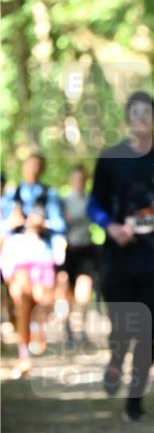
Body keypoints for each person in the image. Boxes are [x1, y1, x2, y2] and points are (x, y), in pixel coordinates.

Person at [88, 92, 154, 421]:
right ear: (127, 118)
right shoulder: (111, 158)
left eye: (146, 112)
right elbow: (94, 204)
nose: (141, 117)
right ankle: (115, 359)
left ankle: (135, 400)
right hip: (118, 258)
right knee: (122, 328)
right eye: (135, 112)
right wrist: (110, 227)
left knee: (147, 329)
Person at [0, 151, 66, 376]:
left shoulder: (50, 194)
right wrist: (12, 223)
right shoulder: (12, 194)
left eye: (38, 165)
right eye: (30, 164)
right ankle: (24, 355)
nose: (33, 169)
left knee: (42, 299)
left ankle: (36, 330)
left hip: (41, 252)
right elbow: (3, 226)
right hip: (17, 253)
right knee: (22, 302)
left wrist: (43, 225)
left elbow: (59, 225)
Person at [57, 165, 98, 345]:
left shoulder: (91, 200)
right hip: (68, 249)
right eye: (76, 179)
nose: (79, 182)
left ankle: (80, 328)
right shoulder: (63, 201)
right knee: (66, 291)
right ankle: (67, 328)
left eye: (82, 179)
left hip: (86, 248)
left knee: (84, 290)